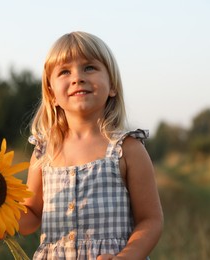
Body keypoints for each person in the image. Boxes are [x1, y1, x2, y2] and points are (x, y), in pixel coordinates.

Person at [18, 31, 163, 260]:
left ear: (112, 85)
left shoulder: (127, 149)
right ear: (51, 93)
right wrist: (0, 218)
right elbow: (32, 214)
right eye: (65, 71)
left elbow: (151, 219)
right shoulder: (44, 152)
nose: (77, 77)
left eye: (89, 68)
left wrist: (127, 256)